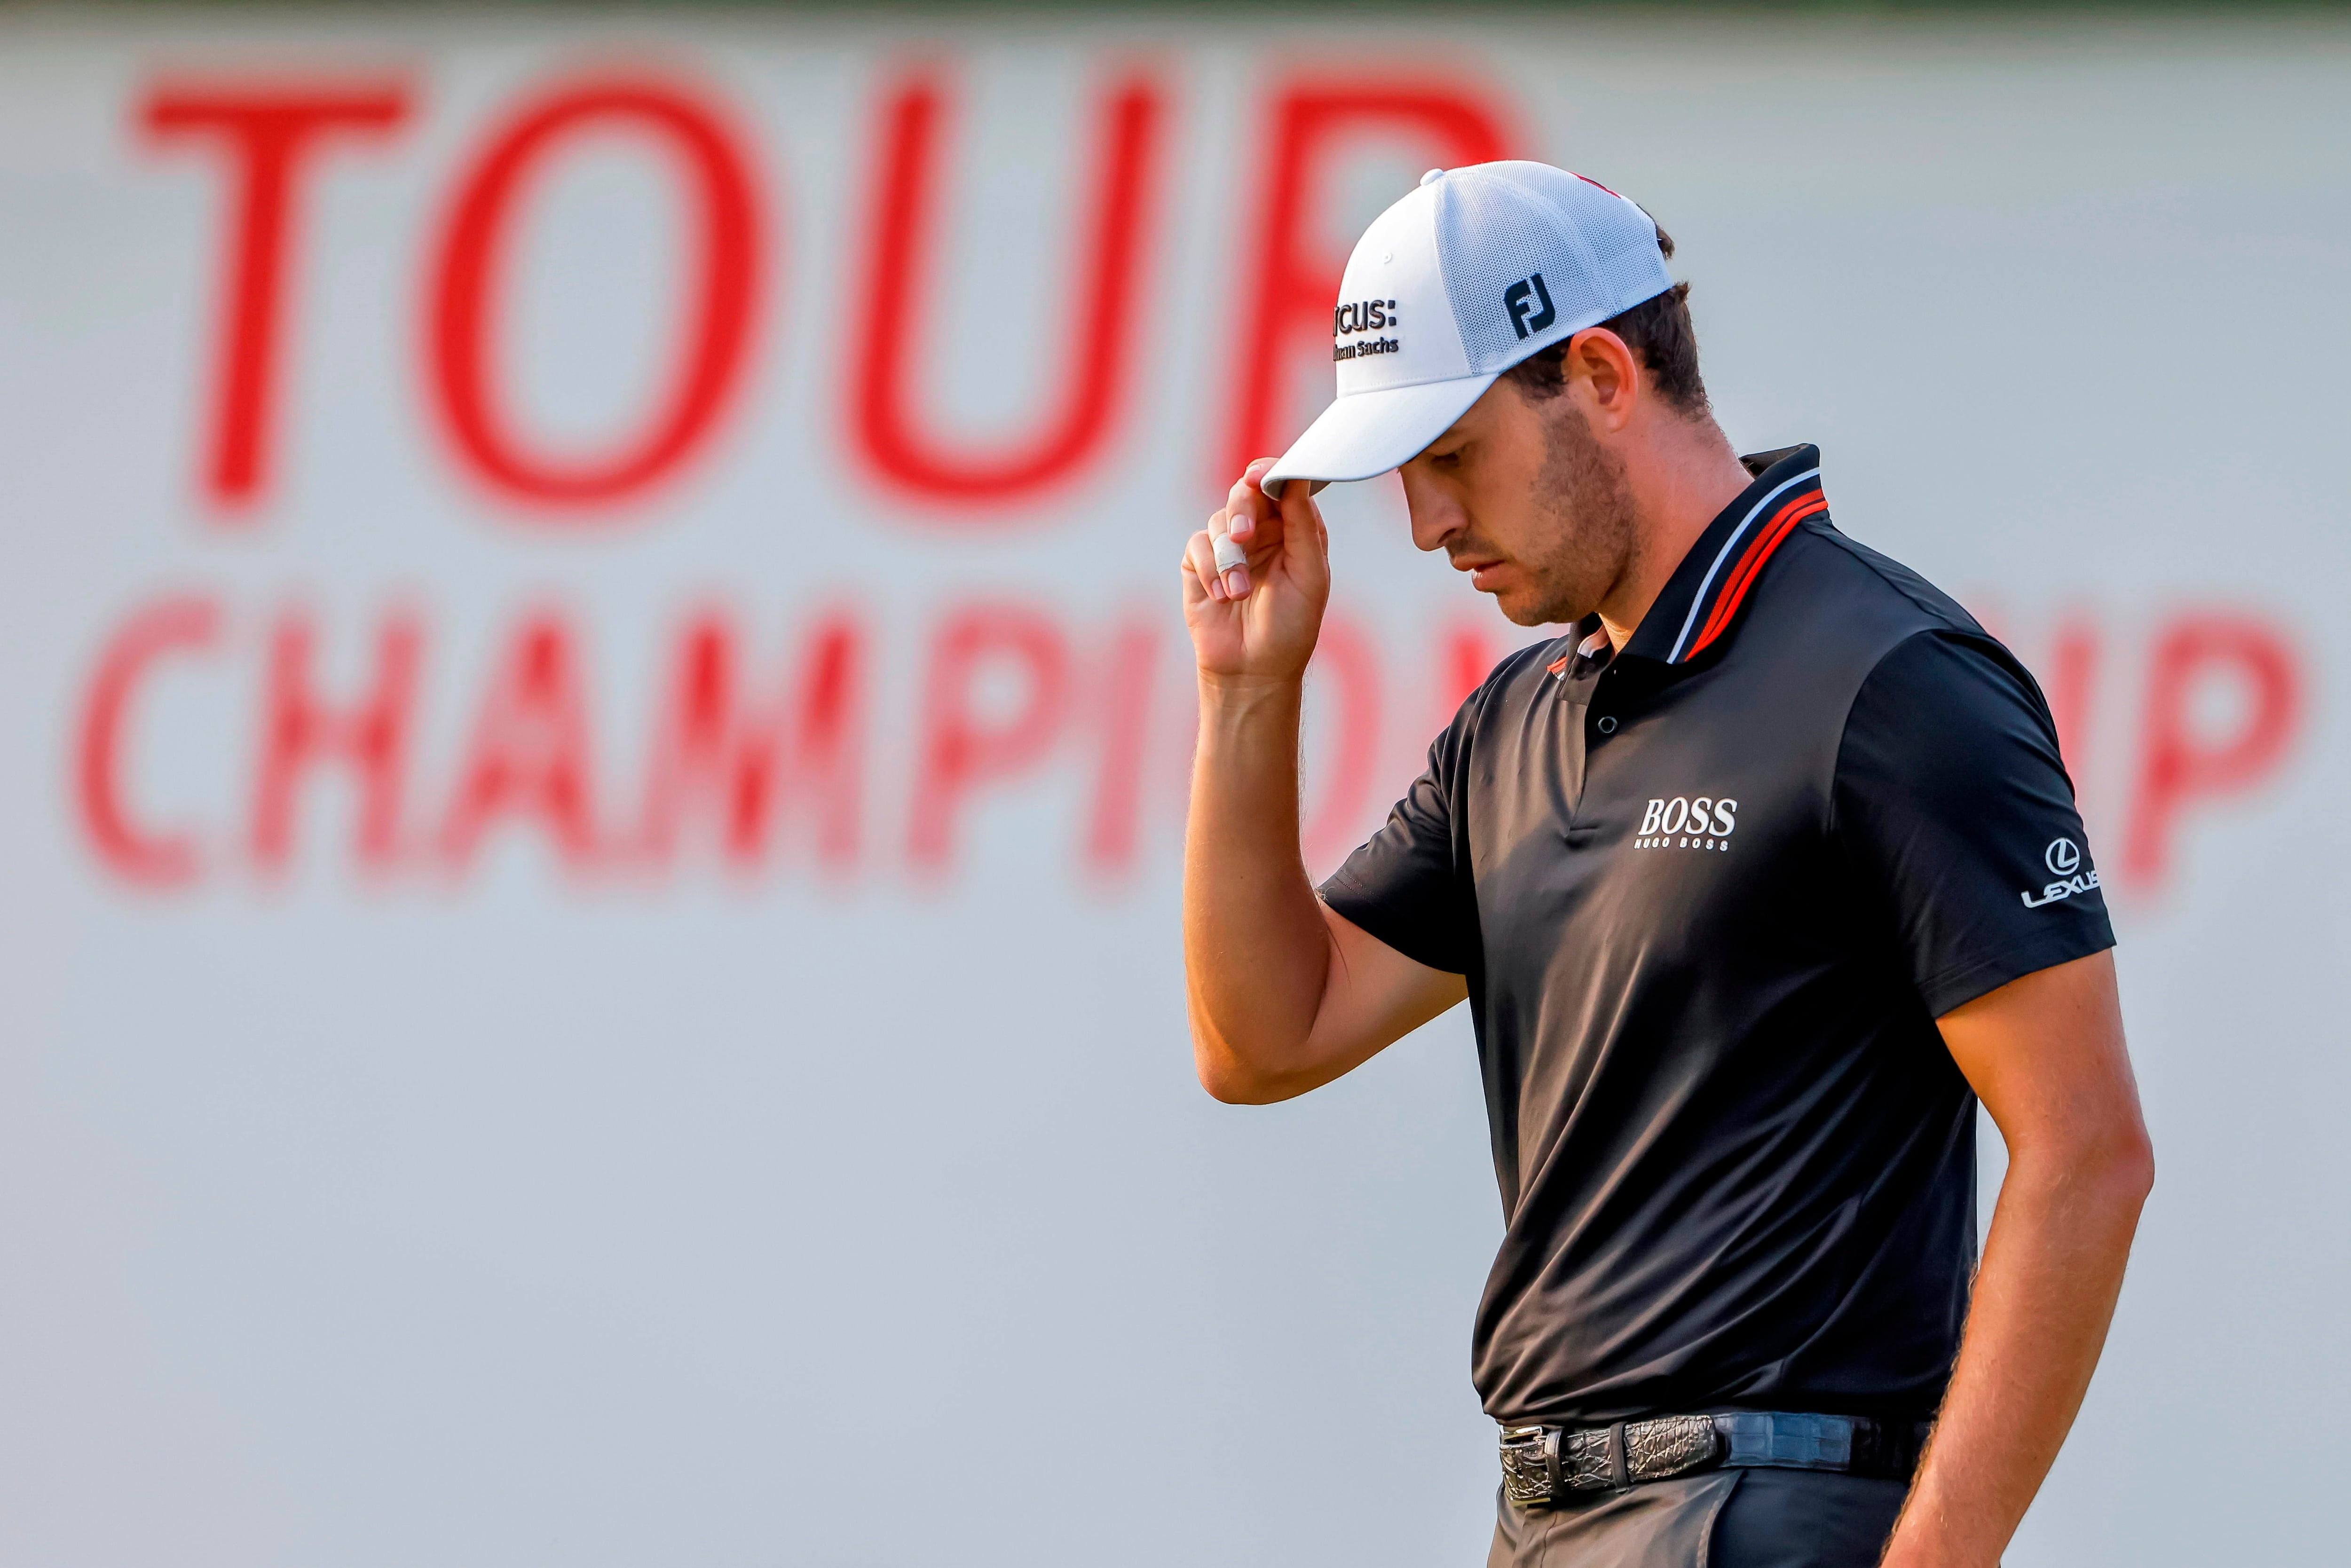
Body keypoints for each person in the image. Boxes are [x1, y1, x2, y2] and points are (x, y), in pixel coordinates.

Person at [1178, 162, 2153, 1567]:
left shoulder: (1892, 681)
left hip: (1769, 1513)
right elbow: (1262, 1037)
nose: (1425, 521)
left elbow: (2088, 1151)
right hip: (1544, 1521)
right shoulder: (1514, 722)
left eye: (1454, 455)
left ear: (1599, 374)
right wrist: (1248, 693)